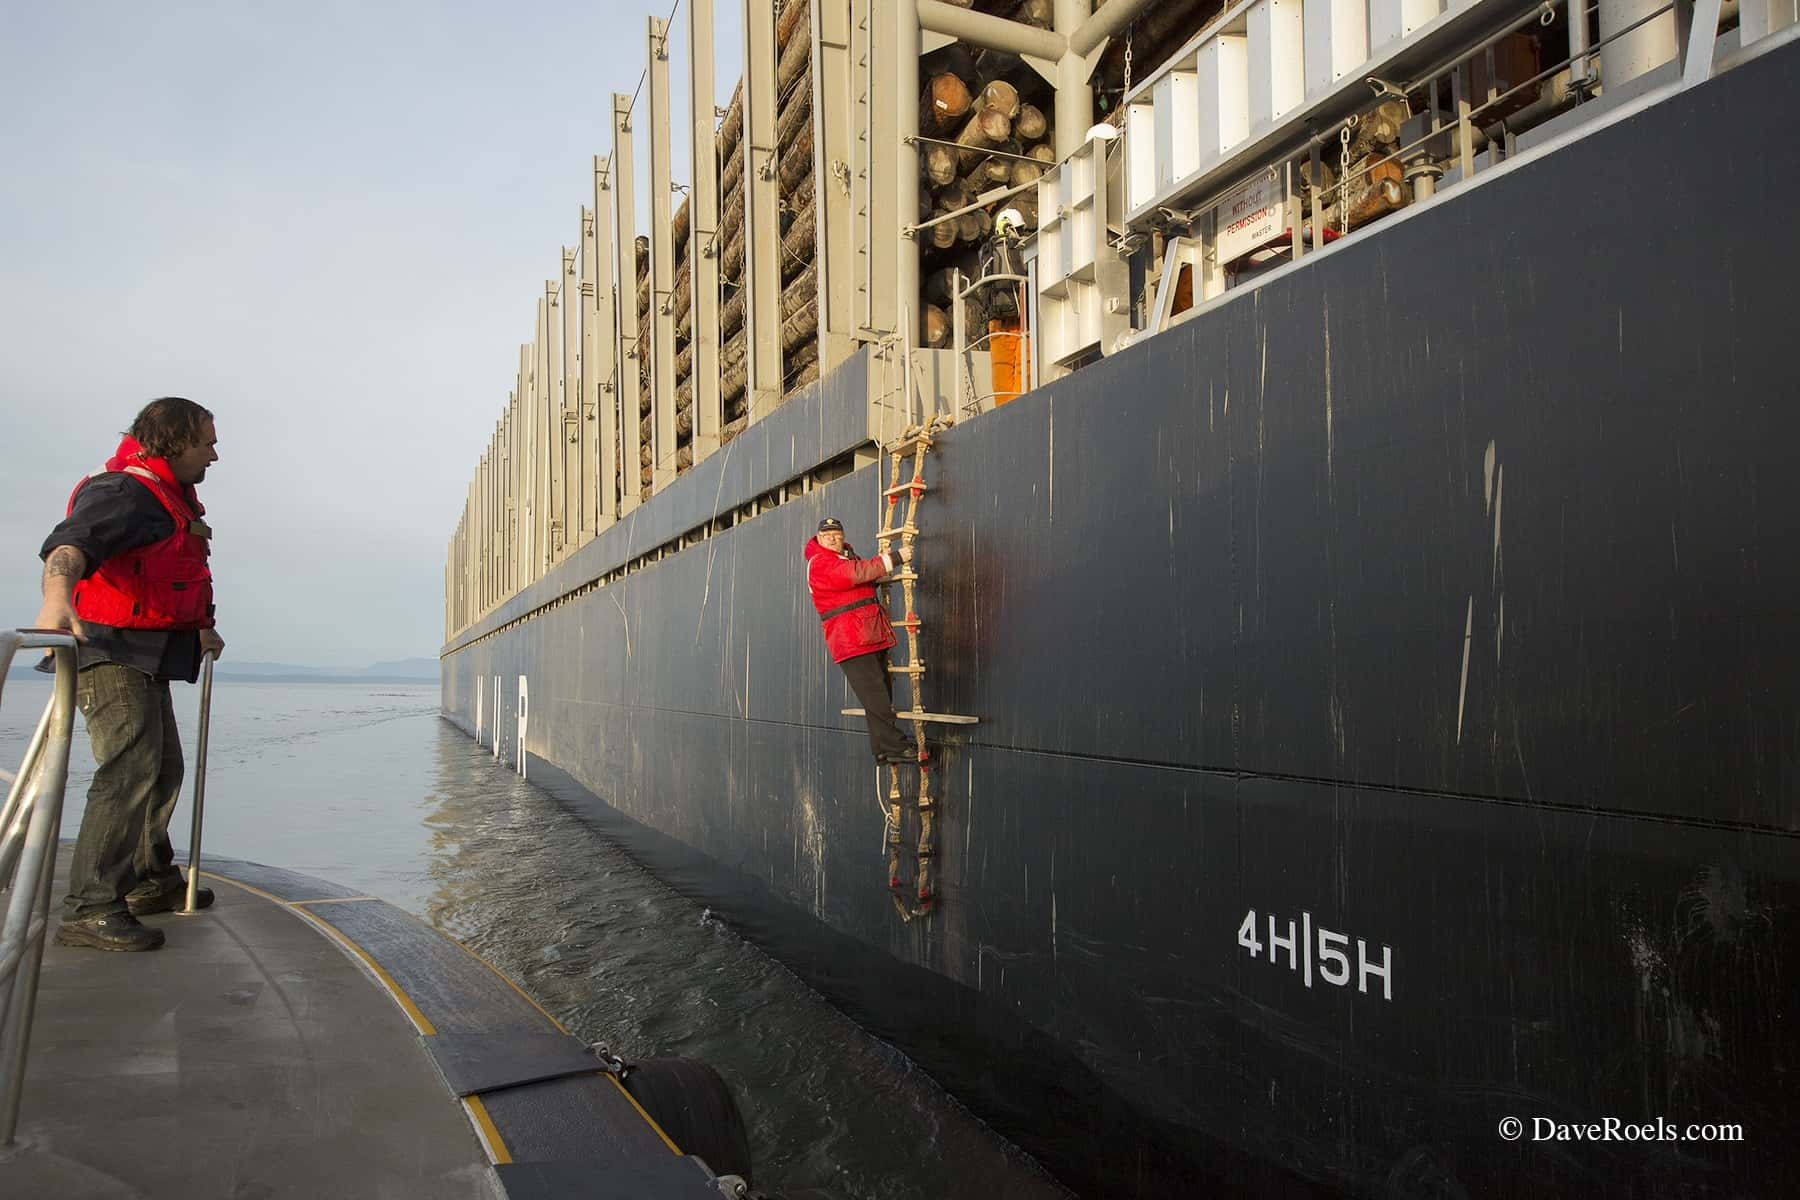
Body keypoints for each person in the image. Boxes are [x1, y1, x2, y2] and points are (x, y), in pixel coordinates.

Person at [34, 397, 225, 952]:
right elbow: (71, 544)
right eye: (206, 442)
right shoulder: (124, 491)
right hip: (109, 650)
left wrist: (200, 629)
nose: (215, 453)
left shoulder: (166, 498)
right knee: (130, 770)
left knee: (163, 768)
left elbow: (173, 574)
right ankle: (92, 907)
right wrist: (55, 601)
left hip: (150, 653)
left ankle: (148, 880)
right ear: (175, 441)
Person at [803, 517, 913, 766]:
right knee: (876, 696)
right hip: (850, 638)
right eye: (826, 535)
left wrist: (878, 568)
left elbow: (862, 576)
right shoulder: (821, 562)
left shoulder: (846, 558)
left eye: (836, 533)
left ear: (842, 536)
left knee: (879, 692)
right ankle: (895, 746)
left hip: (868, 634)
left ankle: (882, 749)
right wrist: (896, 557)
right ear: (818, 539)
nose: (832, 538)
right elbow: (855, 574)